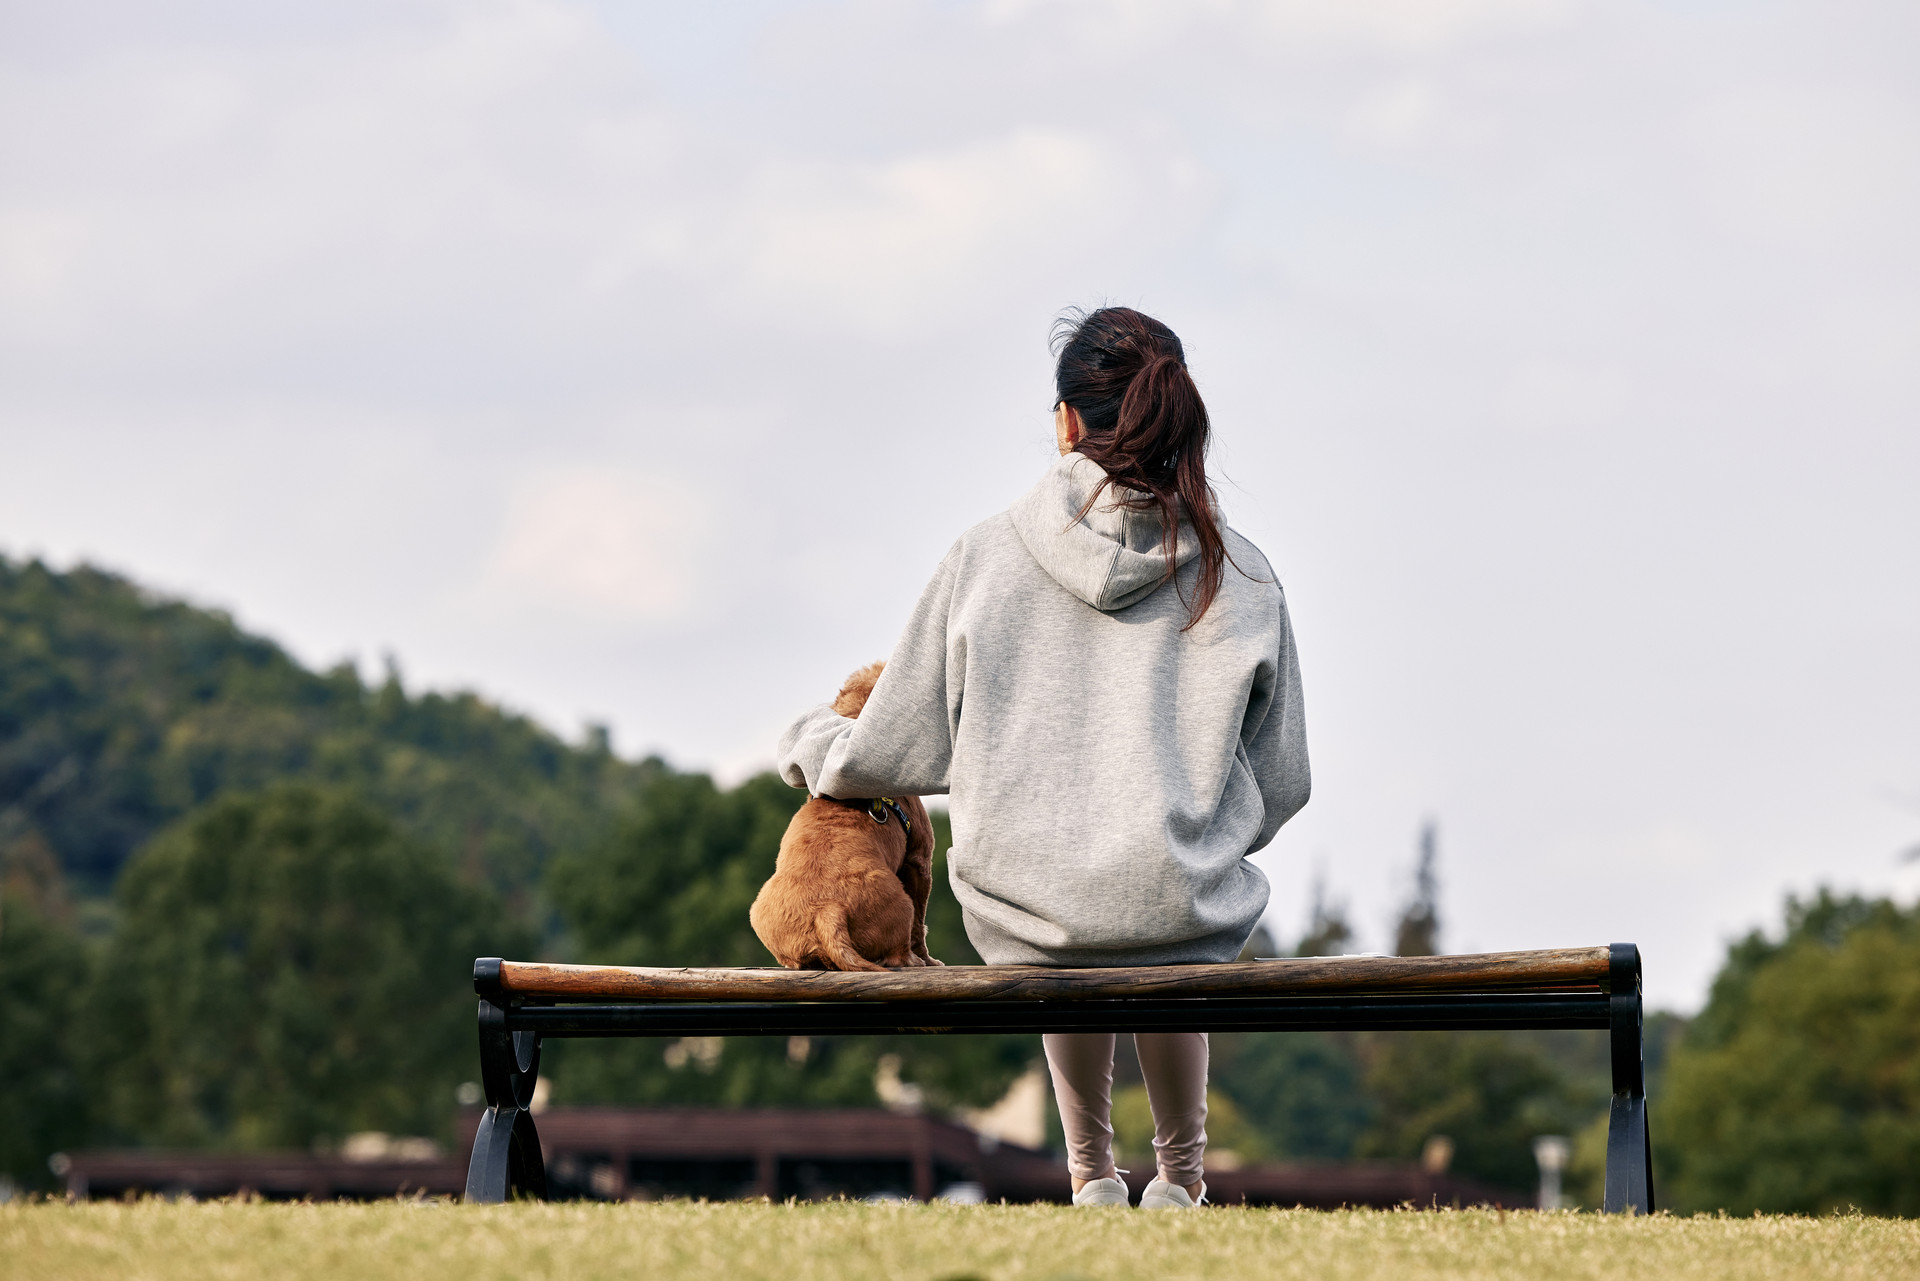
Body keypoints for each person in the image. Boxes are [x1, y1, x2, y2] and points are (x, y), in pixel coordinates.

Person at [776, 306, 1310, 1208]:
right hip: (1186, 906)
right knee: (1159, 918)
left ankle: (1089, 1172)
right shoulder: (1244, 575)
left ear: (1066, 420)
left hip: (1029, 914)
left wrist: (806, 742)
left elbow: (893, 747)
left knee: (1059, 905)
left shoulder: (984, 556)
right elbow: (1285, 779)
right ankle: (1182, 1178)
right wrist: (1189, 838)